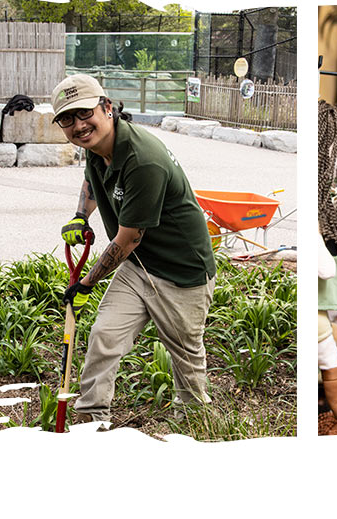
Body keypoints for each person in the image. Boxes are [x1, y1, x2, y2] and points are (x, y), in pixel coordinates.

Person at [53, 73, 216, 424]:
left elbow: (128, 239)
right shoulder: (97, 147)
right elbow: (92, 180)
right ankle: (92, 418)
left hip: (181, 272)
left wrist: (86, 283)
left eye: (84, 114)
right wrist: (81, 217)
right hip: (138, 267)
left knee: (186, 356)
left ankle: (193, 425)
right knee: (104, 337)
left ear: (107, 107)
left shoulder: (143, 159)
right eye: (67, 119)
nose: (79, 125)